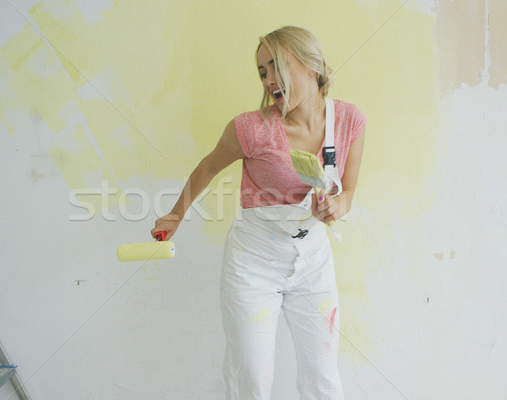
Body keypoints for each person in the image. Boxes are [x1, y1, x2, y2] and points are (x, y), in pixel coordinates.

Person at [152, 26, 366, 400]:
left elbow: (348, 192)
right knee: (251, 377)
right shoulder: (252, 128)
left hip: (313, 263)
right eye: (262, 72)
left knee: (324, 379)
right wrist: (175, 215)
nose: (268, 80)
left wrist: (336, 205)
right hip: (252, 266)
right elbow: (207, 167)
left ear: (312, 64)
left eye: (276, 66)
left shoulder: (349, 121)